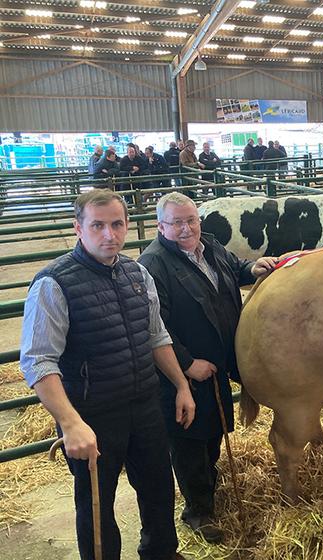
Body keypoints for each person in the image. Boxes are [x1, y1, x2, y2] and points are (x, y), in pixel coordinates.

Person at [20, 189, 195, 560]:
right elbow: (38, 361)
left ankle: (161, 553)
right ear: (78, 229)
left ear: (128, 226)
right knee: (97, 504)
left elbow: (156, 336)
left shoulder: (137, 273)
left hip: (145, 404)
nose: (109, 235)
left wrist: (181, 385)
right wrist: (70, 424)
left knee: (159, 489)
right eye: (97, 225)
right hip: (92, 414)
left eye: (117, 224)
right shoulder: (54, 283)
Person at [138, 192, 277, 543]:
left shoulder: (210, 245)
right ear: (161, 226)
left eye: (191, 220)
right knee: (188, 441)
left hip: (215, 364)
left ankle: (208, 491)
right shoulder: (153, 265)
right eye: (177, 223)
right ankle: (198, 512)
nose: (186, 229)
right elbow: (156, 325)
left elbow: (233, 268)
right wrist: (186, 364)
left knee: (211, 433)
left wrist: (252, 268)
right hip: (182, 372)